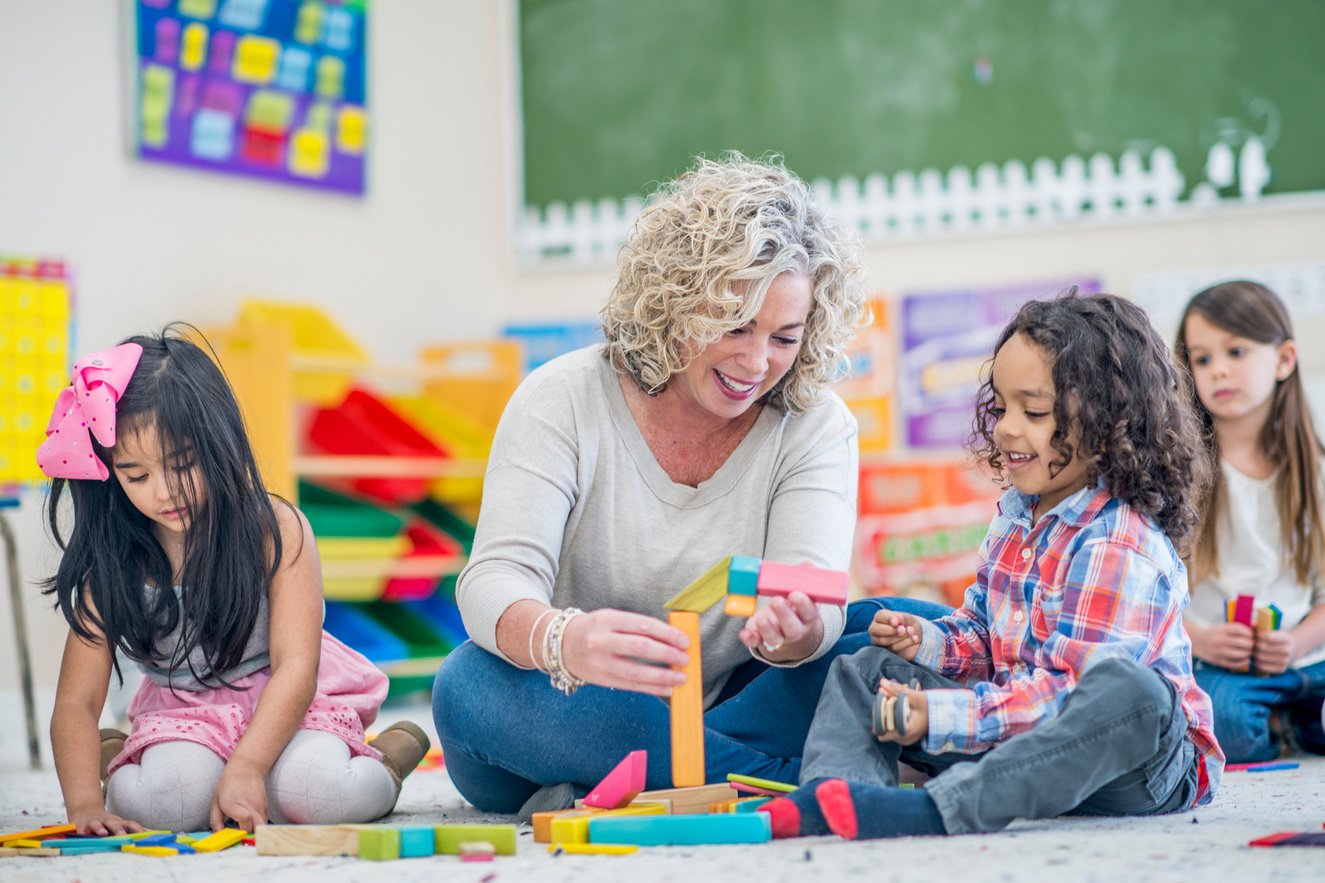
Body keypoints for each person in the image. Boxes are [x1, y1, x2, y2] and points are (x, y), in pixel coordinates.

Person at [432, 155, 947, 816]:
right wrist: (565, 641)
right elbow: (492, 581)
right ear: (674, 298)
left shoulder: (815, 424)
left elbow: (815, 593)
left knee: (907, 630)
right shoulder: (560, 399)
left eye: (783, 336)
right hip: (573, 701)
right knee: (467, 686)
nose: (755, 362)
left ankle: (646, 781)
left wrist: (793, 633)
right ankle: (800, 776)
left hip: (745, 697)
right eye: (733, 325)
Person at [759, 292, 1223, 840]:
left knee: (1133, 692)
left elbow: (1071, 697)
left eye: (1034, 412)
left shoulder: (1118, 542)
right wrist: (927, 642)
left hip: (1137, 770)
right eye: (1001, 407)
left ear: (1107, 424)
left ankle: (934, 812)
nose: (1004, 429)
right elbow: (988, 638)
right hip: (1018, 742)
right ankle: (837, 800)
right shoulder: (1016, 515)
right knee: (865, 668)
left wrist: (940, 715)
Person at [42, 330, 430, 835]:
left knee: (319, 790)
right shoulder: (115, 560)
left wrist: (247, 767)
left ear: (219, 442)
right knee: (169, 804)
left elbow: (297, 666)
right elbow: (76, 701)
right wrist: (83, 808)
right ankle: (118, 751)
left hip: (286, 700)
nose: (164, 493)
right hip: (186, 712)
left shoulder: (275, 529)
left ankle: (385, 757)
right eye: (136, 477)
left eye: (182, 465)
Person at [1174, 280, 1325, 763]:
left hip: (1305, 658)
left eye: (1236, 351)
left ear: (1283, 360)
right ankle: (1292, 723)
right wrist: (1204, 639)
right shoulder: (1178, 471)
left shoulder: (1314, 471)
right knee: (1229, 726)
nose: (1217, 369)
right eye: (1201, 358)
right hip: (1216, 661)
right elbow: (1148, 594)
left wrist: (1297, 641)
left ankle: (1296, 717)